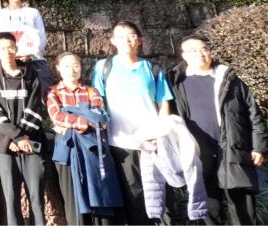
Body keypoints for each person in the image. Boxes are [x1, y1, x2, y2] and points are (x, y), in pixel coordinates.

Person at [169, 35, 267, 225]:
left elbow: (253, 114)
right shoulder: (175, 82)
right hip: (199, 154)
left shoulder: (229, 79)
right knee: (209, 209)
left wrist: (258, 147)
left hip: (233, 149)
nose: (200, 54)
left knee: (242, 208)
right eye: (193, 50)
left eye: (203, 49)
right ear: (183, 55)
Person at [90, 21, 173, 226]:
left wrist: (161, 133)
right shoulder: (103, 67)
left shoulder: (152, 68)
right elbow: (97, 101)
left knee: (160, 195)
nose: (126, 40)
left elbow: (163, 102)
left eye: (131, 35)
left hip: (152, 141)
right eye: (121, 36)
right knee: (132, 195)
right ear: (113, 41)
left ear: (140, 40)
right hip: (121, 142)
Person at [0, 32, 46, 226]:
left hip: (31, 143)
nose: (7, 51)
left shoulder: (30, 73)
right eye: (2, 48)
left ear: (16, 48)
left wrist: (22, 138)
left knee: (36, 196)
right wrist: (15, 137)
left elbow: (36, 107)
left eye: (10, 47)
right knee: (11, 199)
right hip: (6, 146)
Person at [47, 51, 114, 226]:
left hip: (92, 149)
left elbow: (100, 118)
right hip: (68, 151)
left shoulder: (92, 92)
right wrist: (84, 120)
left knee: (98, 191)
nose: (72, 70)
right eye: (67, 66)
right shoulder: (53, 93)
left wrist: (72, 119)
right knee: (73, 198)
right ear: (58, 68)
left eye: (76, 65)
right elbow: (57, 116)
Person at [0, 0, 50, 87]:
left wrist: (30, 54)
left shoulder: (33, 12)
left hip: (34, 60)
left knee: (41, 89)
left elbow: (42, 38)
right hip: (9, 62)